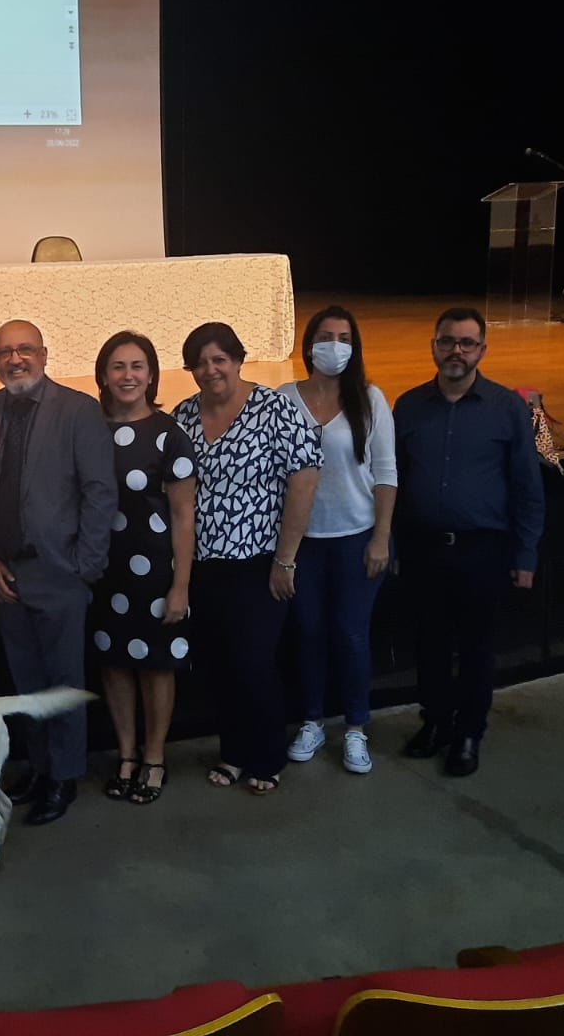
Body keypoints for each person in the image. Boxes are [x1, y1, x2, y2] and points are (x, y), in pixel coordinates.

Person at [0, 320, 115, 826]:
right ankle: (40, 766)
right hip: (4, 575)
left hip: (60, 573)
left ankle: (65, 775)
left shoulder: (79, 410)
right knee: (25, 682)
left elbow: (99, 492)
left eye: (25, 349)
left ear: (44, 354)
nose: (15, 359)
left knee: (62, 681)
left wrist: (84, 568)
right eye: (5, 351)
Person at [172, 322, 321, 796]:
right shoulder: (183, 416)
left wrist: (286, 559)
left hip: (259, 564)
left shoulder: (275, 408)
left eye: (219, 358)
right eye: (200, 361)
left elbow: (304, 478)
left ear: (238, 359)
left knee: (253, 661)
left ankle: (266, 754)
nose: (210, 369)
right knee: (219, 663)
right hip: (203, 566)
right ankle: (233, 751)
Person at [394, 306, 544, 777]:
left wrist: (525, 554)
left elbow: (527, 487)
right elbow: (393, 482)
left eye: (466, 343)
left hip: (483, 551)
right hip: (423, 548)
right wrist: (393, 545)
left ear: (482, 349)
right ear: (433, 345)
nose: (455, 351)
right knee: (429, 644)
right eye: (446, 342)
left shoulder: (509, 409)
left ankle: (468, 734)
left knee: (477, 648)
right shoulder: (409, 406)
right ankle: (436, 721)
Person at [278, 306, 396, 775]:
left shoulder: (370, 399)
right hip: (304, 542)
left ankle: (355, 728)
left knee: (350, 634)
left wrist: (381, 538)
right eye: (326, 336)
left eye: (344, 337)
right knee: (306, 633)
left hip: (356, 538)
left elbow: (386, 473)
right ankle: (311, 720)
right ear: (308, 344)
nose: (335, 345)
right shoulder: (284, 398)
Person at [87, 332, 197, 806]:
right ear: (104, 375)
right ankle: (126, 754)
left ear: (151, 374)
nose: (127, 376)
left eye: (137, 366)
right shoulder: (88, 429)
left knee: (155, 666)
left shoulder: (169, 435)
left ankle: (154, 758)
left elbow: (184, 516)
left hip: (153, 571)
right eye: (117, 366)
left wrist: (181, 585)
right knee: (113, 664)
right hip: (101, 569)